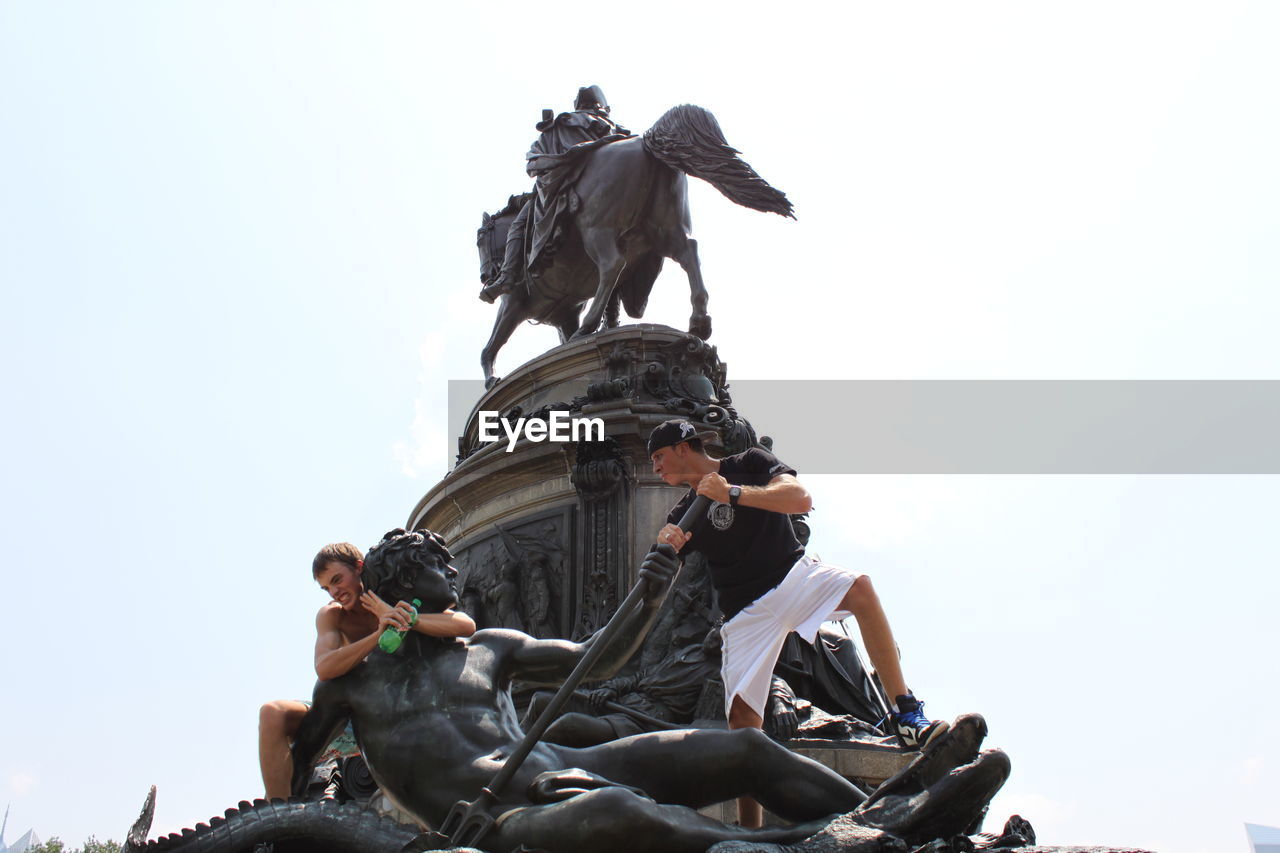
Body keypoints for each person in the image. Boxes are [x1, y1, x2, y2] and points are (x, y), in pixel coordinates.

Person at [289, 529, 872, 852]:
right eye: (439, 569)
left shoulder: (489, 647)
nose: (455, 576)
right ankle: (800, 846)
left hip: (561, 763)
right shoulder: (358, 683)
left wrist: (647, 598)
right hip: (500, 820)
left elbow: (596, 660)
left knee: (742, 748)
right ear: (403, 581)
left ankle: (879, 815)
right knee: (619, 810)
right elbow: (301, 754)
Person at [648, 419, 948, 828]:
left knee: (860, 589)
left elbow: (799, 498)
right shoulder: (685, 512)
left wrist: (731, 492)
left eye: (659, 458)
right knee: (742, 725)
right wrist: (667, 547)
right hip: (745, 615)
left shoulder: (749, 461)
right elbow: (660, 576)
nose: (656, 470)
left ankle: (906, 714)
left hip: (793, 578)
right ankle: (749, 833)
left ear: (684, 448)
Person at [257, 541, 476, 801]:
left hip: (406, 711)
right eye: (327, 587)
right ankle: (277, 817)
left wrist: (407, 619)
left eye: (338, 580)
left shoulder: (395, 594)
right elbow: (324, 668)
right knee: (273, 712)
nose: (334, 592)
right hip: (352, 717)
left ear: (359, 568)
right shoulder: (332, 616)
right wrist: (377, 635)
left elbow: (466, 625)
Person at [480, 84, 632, 303]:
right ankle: (612, 312)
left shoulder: (563, 124)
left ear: (578, 105)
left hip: (565, 184)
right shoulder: (617, 130)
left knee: (519, 225)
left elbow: (537, 165)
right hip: (612, 189)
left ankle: (507, 276)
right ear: (605, 107)